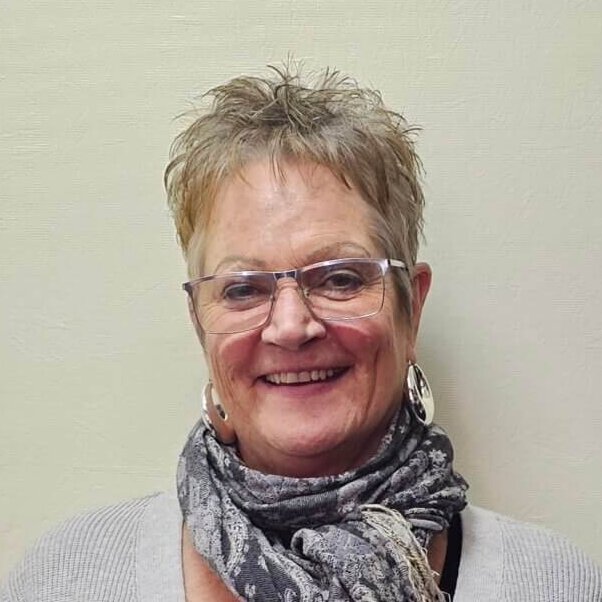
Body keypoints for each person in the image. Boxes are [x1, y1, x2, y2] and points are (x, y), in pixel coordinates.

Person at [2, 65, 601, 602]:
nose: (291, 326)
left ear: (411, 308)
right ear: (199, 322)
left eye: (340, 278)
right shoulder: (66, 579)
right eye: (243, 289)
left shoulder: (554, 584)